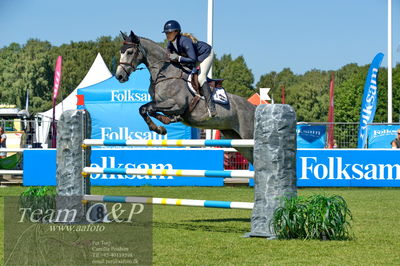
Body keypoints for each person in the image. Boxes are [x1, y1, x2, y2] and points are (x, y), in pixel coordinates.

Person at [162, 20, 217, 117]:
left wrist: (178, 58)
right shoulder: (170, 44)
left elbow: (192, 59)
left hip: (205, 54)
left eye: (169, 32)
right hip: (193, 57)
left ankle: (211, 107)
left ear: (176, 32)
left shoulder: (185, 41)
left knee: (201, 77)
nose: (167, 35)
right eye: (166, 33)